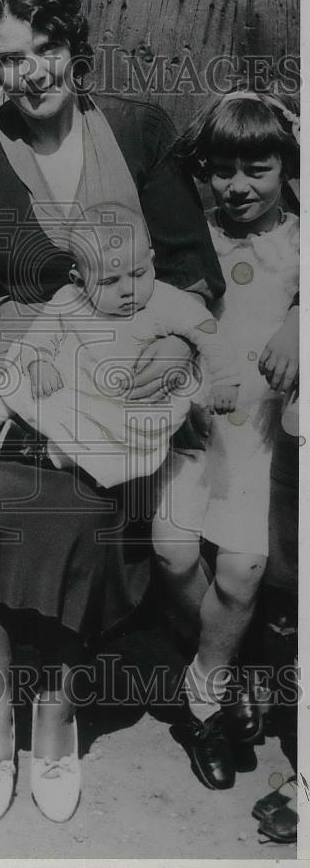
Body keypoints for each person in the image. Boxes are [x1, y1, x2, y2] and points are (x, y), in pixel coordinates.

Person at [0, 0, 226, 824]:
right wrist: (16, 393)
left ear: (72, 46)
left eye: (46, 47)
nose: (31, 73)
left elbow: (193, 275)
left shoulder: (138, 130)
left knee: (78, 496)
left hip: (130, 378)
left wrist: (174, 346)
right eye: (7, 59)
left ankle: (53, 709)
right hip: (18, 376)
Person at [152, 90, 300, 791]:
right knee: (172, 549)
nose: (237, 185)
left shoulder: (298, 241)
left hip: (259, 439)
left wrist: (301, 319)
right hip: (192, 427)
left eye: (258, 169)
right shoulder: (193, 234)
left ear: (286, 167)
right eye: (221, 169)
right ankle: (220, 665)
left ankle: (203, 698)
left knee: (241, 572)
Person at [0, 207, 240, 491]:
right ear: (79, 280)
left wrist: (226, 379)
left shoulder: (165, 301)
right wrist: (39, 363)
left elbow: (206, 328)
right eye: (109, 281)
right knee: (15, 375)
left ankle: (37, 452)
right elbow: (39, 336)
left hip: (126, 407)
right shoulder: (69, 299)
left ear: (151, 262)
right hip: (77, 385)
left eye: (138, 273)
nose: (128, 289)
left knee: (105, 449)